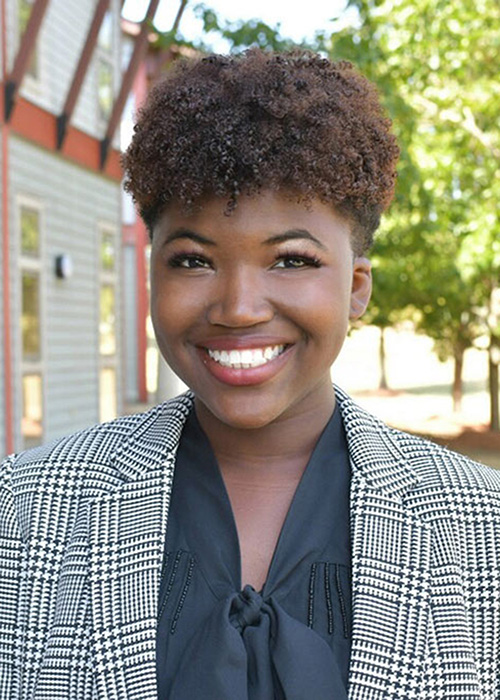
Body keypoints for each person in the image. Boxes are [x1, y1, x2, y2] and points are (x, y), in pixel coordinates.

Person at [1, 49, 499, 700]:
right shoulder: (23, 516)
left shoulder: (482, 530)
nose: (238, 308)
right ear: (149, 273)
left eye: (291, 261)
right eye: (191, 260)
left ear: (355, 287)